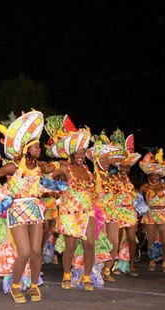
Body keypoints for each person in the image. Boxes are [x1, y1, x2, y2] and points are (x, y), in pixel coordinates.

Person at [0, 110, 58, 303]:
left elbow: (55, 170)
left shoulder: (39, 167)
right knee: (24, 252)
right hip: (17, 209)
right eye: (36, 147)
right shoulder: (13, 167)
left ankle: (33, 285)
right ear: (27, 149)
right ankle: (15, 285)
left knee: (35, 252)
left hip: (34, 209)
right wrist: (2, 193)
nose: (39, 150)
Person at [45, 114, 97, 291]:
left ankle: (87, 277)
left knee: (90, 243)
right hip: (69, 212)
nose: (81, 156)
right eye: (77, 153)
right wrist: (55, 186)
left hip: (87, 211)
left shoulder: (87, 169)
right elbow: (49, 177)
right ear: (71, 154)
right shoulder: (66, 168)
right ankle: (67, 275)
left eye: (83, 152)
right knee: (71, 246)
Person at [85, 130, 129, 283]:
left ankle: (107, 269)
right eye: (103, 160)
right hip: (97, 214)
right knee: (99, 242)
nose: (106, 163)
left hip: (112, 212)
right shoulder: (91, 177)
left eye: (108, 160)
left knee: (114, 242)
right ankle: (94, 269)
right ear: (96, 161)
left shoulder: (111, 179)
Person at [109, 136, 142, 277]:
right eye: (122, 166)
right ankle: (114, 264)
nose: (125, 169)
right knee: (117, 237)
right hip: (117, 211)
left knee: (131, 238)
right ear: (118, 166)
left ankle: (131, 265)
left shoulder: (129, 180)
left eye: (127, 167)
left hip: (129, 211)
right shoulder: (112, 179)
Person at [138, 148, 165, 272]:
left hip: (163, 214)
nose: (155, 177)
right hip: (150, 215)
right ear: (149, 175)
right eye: (152, 175)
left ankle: (164, 263)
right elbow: (137, 198)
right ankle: (152, 260)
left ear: (160, 175)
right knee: (151, 241)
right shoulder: (144, 187)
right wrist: (141, 206)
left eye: (157, 175)